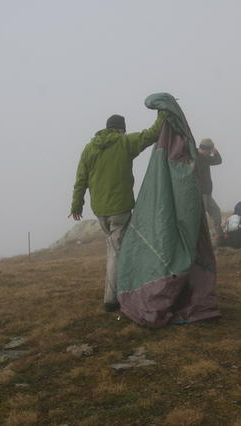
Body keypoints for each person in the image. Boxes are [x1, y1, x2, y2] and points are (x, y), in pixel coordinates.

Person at [69, 111, 163, 312]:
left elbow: (81, 180)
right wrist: (162, 113)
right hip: (120, 209)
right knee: (116, 253)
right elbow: (152, 134)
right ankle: (112, 299)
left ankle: (126, 288)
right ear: (121, 129)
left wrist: (76, 205)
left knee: (115, 248)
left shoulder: (89, 148)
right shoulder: (124, 142)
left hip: (100, 211)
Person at [196, 138, 224, 243]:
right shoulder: (195, 157)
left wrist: (216, 152)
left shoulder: (206, 158)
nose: (211, 152)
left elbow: (218, 161)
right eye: (210, 150)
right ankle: (201, 242)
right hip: (200, 194)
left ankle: (220, 237)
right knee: (201, 219)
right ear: (206, 149)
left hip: (207, 193)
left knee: (216, 212)